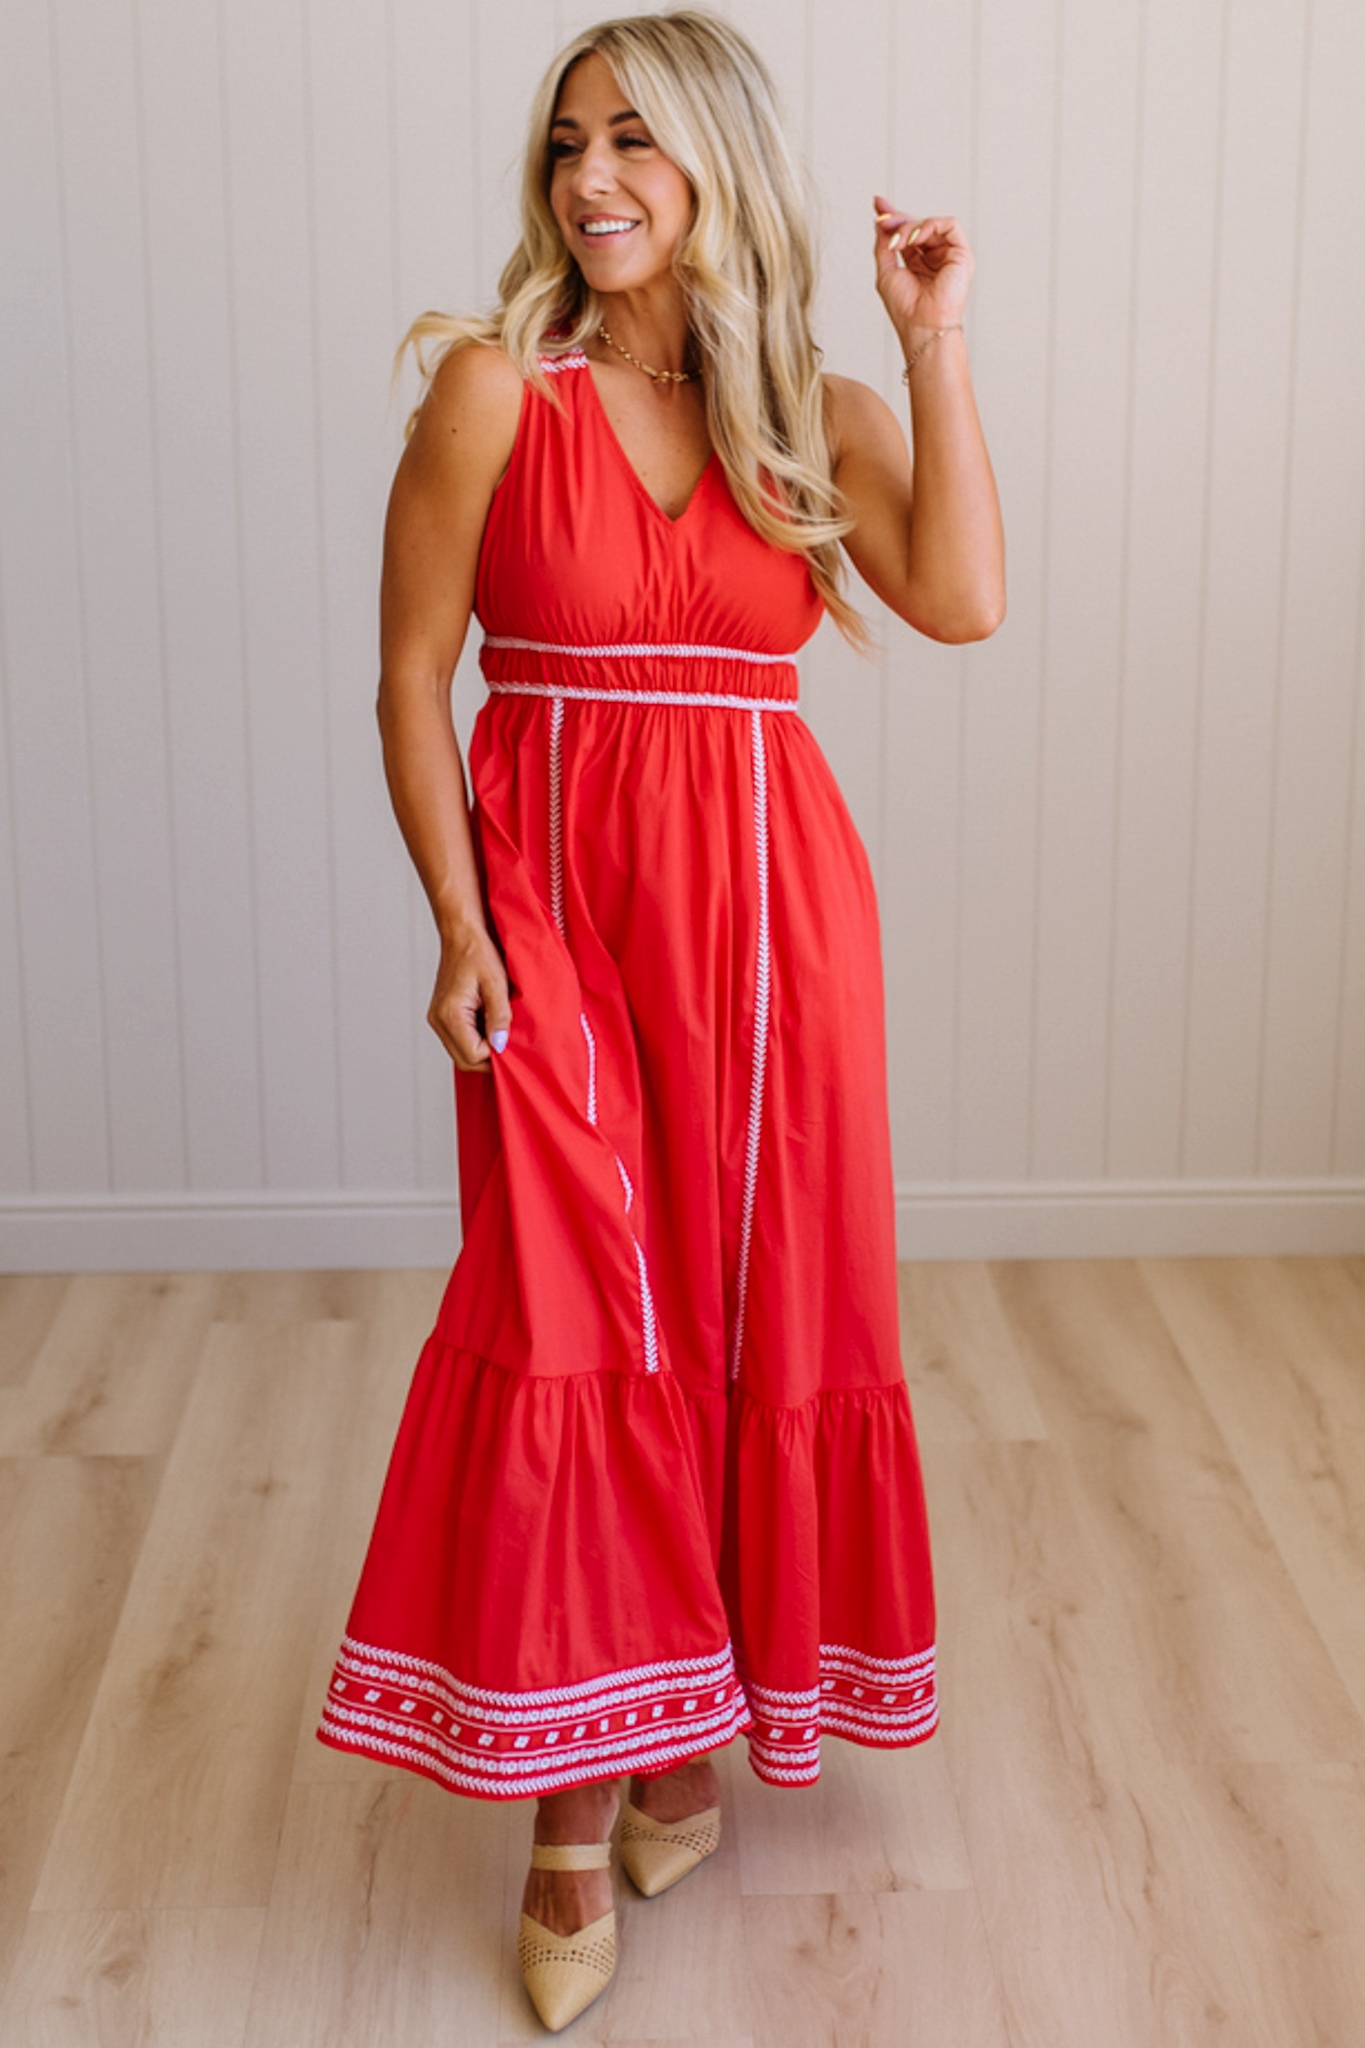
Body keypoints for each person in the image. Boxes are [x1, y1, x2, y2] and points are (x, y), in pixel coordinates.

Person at [318, 9, 1004, 2032]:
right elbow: (410, 679)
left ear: (716, 161)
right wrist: (458, 928)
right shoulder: (486, 394)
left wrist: (933, 332)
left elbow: (959, 599)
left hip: (781, 927)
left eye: (633, 140)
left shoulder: (818, 409)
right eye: (565, 145)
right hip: (554, 905)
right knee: (571, 1319)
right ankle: (558, 1804)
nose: (590, 177)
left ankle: (680, 1719)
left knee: (741, 1314)